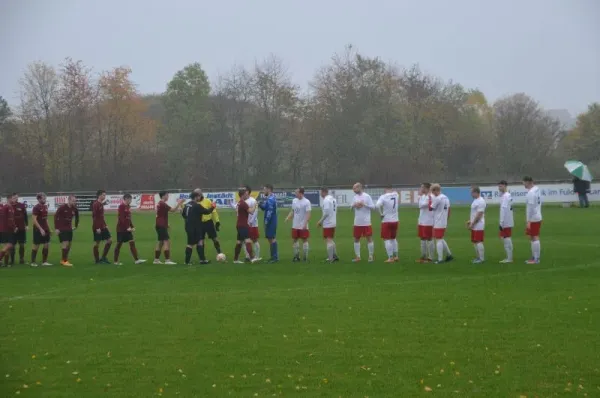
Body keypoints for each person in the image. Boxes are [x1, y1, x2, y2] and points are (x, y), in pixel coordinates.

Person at [182, 191, 216, 265]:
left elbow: (183, 215)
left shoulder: (187, 205)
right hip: (195, 227)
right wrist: (213, 207)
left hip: (188, 226)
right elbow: (207, 212)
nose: (200, 197)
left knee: (199, 241)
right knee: (191, 244)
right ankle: (187, 262)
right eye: (199, 196)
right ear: (196, 197)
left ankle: (202, 260)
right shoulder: (197, 205)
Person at [114, 194, 146, 265]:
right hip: (121, 229)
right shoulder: (121, 206)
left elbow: (128, 218)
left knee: (132, 242)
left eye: (131, 199)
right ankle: (115, 261)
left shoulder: (128, 206)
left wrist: (132, 226)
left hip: (127, 229)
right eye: (130, 199)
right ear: (126, 199)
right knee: (119, 244)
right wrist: (127, 227)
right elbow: (121, 218)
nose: (131, 201)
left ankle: (136, 260)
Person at [154, 191, 184, 265]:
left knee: (160, 242)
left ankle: (156, 260)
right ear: (163, 196)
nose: (168, 197)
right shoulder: (163, 204)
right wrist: (180, 203)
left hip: (159, 224)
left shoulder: (159, 203)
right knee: (166, 241)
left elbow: (160, 214)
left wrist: (166, 223)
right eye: (167, 195)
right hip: (161, 225)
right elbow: (173, 210)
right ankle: (167, 260)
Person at [285, 187, 312, 262]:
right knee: (294, 240)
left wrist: (305, 224)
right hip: (295, 225)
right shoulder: (294, 201)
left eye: (296, 192)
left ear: (301, 193)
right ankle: (296, 257)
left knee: (304, 240)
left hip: (303, 225)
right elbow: (293, 211)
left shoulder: (307, 202)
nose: (295, 194)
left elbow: (308, 214)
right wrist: (288, 217)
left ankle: (305, 258)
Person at [351, 183, 375, 262]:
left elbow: (373, 207)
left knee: (369, 238)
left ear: (359, 187)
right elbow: (350, 208)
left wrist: (364, 204)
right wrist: (354, 205)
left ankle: (371, 256)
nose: (353, 190)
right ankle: (358, 257)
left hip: (366, 222)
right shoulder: (354, 197)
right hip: (357, 222)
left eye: (355, 188)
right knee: (356, 239)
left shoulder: (367, 196)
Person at [233, 188, 259, 264]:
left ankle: (235, 259)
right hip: (243, 225)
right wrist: (255, 205)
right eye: (245, 194)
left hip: (239, 224)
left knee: (239, 242)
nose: (247, 195)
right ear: (243, 195)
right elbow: (251, 212)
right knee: (248, 241)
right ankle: (252, 258)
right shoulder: (243, 203)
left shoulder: (239, 203)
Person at [430, 184, 454, 264]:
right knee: (441, 238)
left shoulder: (438, 198)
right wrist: (446, 219)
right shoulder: (446, 197)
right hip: (444, 221)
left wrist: (430, 200)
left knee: (438, 239)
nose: (432, 193)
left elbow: (431, 208)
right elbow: (449, 210)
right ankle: (449, 255)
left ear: (436, 190)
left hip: (438, 221)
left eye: (433, 191)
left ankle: (440, 259)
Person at [54, 195, 79, 267]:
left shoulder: (74, 209)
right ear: (69, 200)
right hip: (62, 228)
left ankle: (64, 259)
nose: (74, 202)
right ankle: (64, 261)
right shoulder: (62, 207)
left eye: (75, 201)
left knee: (69, 244)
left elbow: (77, 217)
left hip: (69, 228)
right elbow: (56, 216)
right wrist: (57, 228)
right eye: (73, 201)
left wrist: (76, 226)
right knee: (65, 243)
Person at [376, 185, 399, 263]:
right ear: (392, 188)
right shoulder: (396, 194)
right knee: (393, 238)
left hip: (386, 220)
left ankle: (390, 258)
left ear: (385, 189)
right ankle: (396, 256)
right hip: (395, 220)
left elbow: (377, 205)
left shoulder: (383, 197)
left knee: (386, 239)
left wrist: (381, 214)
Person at [523, 176, 542, 264]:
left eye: (524, 182)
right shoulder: (537, 189)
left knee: (534, 236)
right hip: (537, 215)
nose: (523, 184)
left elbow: (530, 208)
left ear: (528, 182)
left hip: (533, 218)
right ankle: (534, 256)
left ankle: (536, 258)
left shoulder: (531, 193)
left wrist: (528, 221)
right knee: (532, 236)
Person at [198, 189, 222, 257]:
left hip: (208, 222)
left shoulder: (207, 201)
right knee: (201, 240)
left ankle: (219, 253)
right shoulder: (195, 202)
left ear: (201, 194)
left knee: (215, 238)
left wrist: (217, 221)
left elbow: (213, 211)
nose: (197, 196)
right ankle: (202, 257)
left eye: (199, 195)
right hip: (199, 224)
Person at [317, 187, 339, 263]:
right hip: (333, 221)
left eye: (321, 192)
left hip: (328, 222)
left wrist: (320, 221)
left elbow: (326, 213)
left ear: (324, 192)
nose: (320, 194)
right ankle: (335, 256)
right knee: (330, 239)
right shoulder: (333, 199)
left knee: (328, 240)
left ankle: (330, 258)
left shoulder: (326, 200)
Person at [258, 184, 279, 263]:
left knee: (272, 238)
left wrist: (266, 221)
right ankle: (273, 257)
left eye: (264, 189)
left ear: (268, 189)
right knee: (270, 238)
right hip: (271, 220)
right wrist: (260, 205)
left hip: (271, 221)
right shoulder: (270, 198)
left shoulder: (270, 199)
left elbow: (269, 211)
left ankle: (275, 257)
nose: (263, 191)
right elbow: (265, 208)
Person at [31, 193, 52, 267]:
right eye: (43, 198)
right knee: (36, 245)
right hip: (38, 229)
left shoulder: (45, 207)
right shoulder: (36, 207)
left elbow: (46, 219)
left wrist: (49, 229)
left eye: (45, 198)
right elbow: (34, 219)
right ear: (39, 199)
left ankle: (44, 261)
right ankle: (33, 262)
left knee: (47, 244)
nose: (45, 200)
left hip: (45, 228)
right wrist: (40, 229)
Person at [467, 186, 486, 264]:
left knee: (478, 241)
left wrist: (473, 223)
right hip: (474, 223)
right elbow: (474, 213)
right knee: (474, 241)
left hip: (478, 224)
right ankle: (478, 257)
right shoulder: (475, 200)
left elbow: (479, 214)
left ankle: (481, 259)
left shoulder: (481, 201)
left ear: (475, 192)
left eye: (471, 192)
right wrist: (470, 221)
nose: (470, 194)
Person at [92, 190, 112, 264]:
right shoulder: (96, 204)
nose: (104, 196)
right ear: (99, 195)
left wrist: (106, 225)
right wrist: (97, 227)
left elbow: (101, 217)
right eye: (103, 195)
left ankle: (103, 257)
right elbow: (94, 217)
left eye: (105, 195)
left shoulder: (101, 204)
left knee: (109, 240)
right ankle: (97, 260)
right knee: (97, 243)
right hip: (97, 227)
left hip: (103, 226)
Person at [416, 183, 434, 263]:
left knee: (429, 238)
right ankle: (423, 256)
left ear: (426, 188)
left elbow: (422, 205)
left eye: (422, 187)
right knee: (422, 238)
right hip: (421, 220)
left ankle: (430, 257)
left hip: (428, 221)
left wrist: (421, 203)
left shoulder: (431, 197)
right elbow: (420, 205)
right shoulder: (422, 196)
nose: (420, 189)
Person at [242, 185, 261, 262]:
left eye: (245, 190)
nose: (243, 192)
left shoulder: (253, 201)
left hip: (252, 224)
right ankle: (248, 256)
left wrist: (250, 222)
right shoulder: (243, 201)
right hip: (245, 224)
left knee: (254, 240)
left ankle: (257, 256)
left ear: (248, 192)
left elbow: (255, 212)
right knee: (244, 240)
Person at [498, 180, 514, 263]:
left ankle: (509, 258)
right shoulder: (507, 195)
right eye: (499, 186)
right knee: (506, 238)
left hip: (505, 221)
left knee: (506, 238)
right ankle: (509, 257)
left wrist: (501, 222)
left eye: (501, 186)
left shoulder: (505, 196)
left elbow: (503, 209)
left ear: (505, 186)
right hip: (508, 220)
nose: (499, 188)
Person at [9, 193, 28, 266]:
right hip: (12, 229)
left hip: (21, 228)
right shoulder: (9, 206)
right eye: (14, 197)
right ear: (11, 198)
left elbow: (25, 215)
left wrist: (26, 225)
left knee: (22, 244)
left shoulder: (21, 205)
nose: (15, 199)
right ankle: (12, 260)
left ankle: (21, 259)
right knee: (12, 245)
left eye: (16, 197)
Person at [0, 195, 16, 266]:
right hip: (7, 229)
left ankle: (6, 264)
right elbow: (10, 220)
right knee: (9, 245)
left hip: (4, 229)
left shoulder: (7, 207)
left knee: (7, 246)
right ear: (9, 199)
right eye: (13, 198)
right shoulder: (7, 207)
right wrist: (14, 227)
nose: (14, 199)